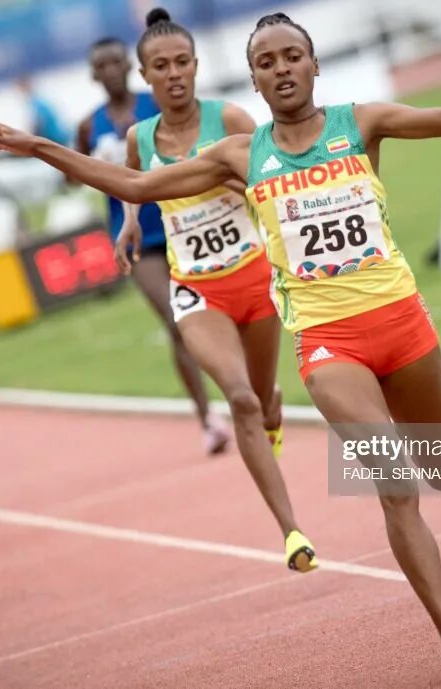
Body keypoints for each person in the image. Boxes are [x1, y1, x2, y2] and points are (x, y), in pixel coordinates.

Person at [0, 14, 441, 680]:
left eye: (292, 56)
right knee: (396, 481)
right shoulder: (240, 155)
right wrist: (37, 145)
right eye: (266, 62)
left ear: (315, 65)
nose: (281, 68)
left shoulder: (363, 122)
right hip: (330, 343)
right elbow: (134, 186)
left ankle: (439, 551)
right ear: (254, 79)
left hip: (403, 321)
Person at [114, 8, 315, 571]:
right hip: (197, 289)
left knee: (266, 397)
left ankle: (269, 424)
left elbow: (269, 175)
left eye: (182, 62)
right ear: (145, 76)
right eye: (160, 66)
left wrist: (234, 180)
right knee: (242, 399)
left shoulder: (227, 117)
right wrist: (131, 218)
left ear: (196, 66)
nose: (173, 73)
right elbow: (134, 179)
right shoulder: (139, 136)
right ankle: (292, 532)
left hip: (253, 275)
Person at [76, 36, 230, 456]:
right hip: (136, 235)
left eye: (114, 61)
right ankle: (207, 418)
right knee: (177, 318)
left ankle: (239, 390)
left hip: (184, 221)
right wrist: (103, 167)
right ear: (93, 74)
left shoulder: (156, 103)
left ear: (128, 64)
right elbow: (75, 175)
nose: (109, 70)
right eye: (100, 64)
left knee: (218, 311)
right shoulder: (90, 126)